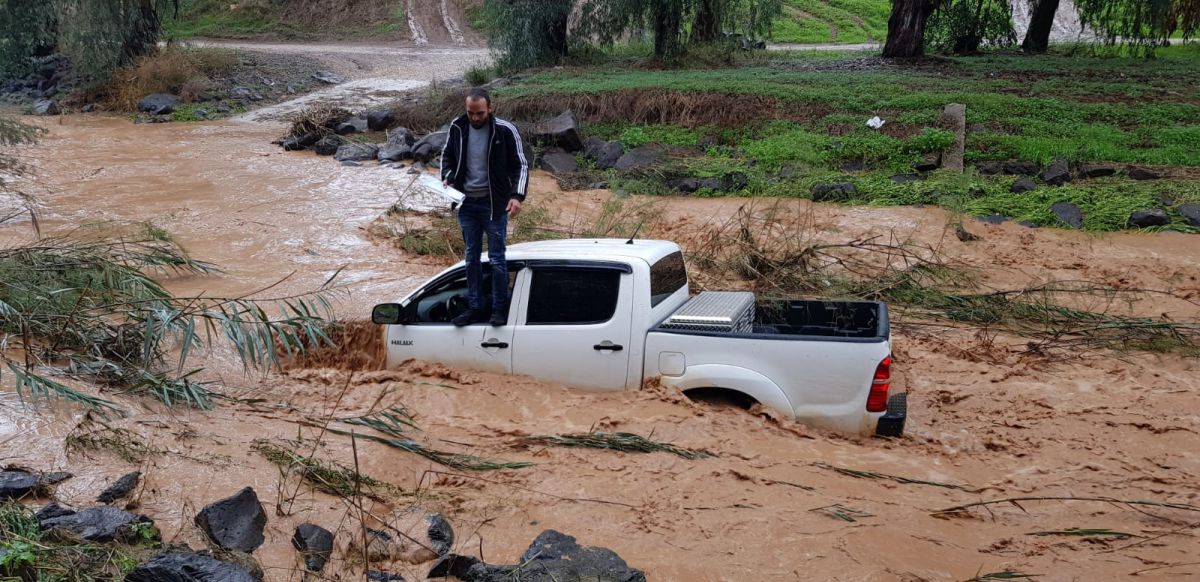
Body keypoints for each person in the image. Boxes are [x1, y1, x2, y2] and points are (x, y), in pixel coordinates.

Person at [439, 88, 529, 327]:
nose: (475, 118)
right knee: (471, 259)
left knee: (498, 259)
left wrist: (517, 196)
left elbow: (520, 165)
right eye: (471, 113)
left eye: (479, 113)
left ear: (490, 108)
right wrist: (447, 176)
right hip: (466, 203)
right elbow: (446, 157)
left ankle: (499, 310)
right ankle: (475, 307)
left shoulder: (505, 130)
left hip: (494, 206)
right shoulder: (458, 126)